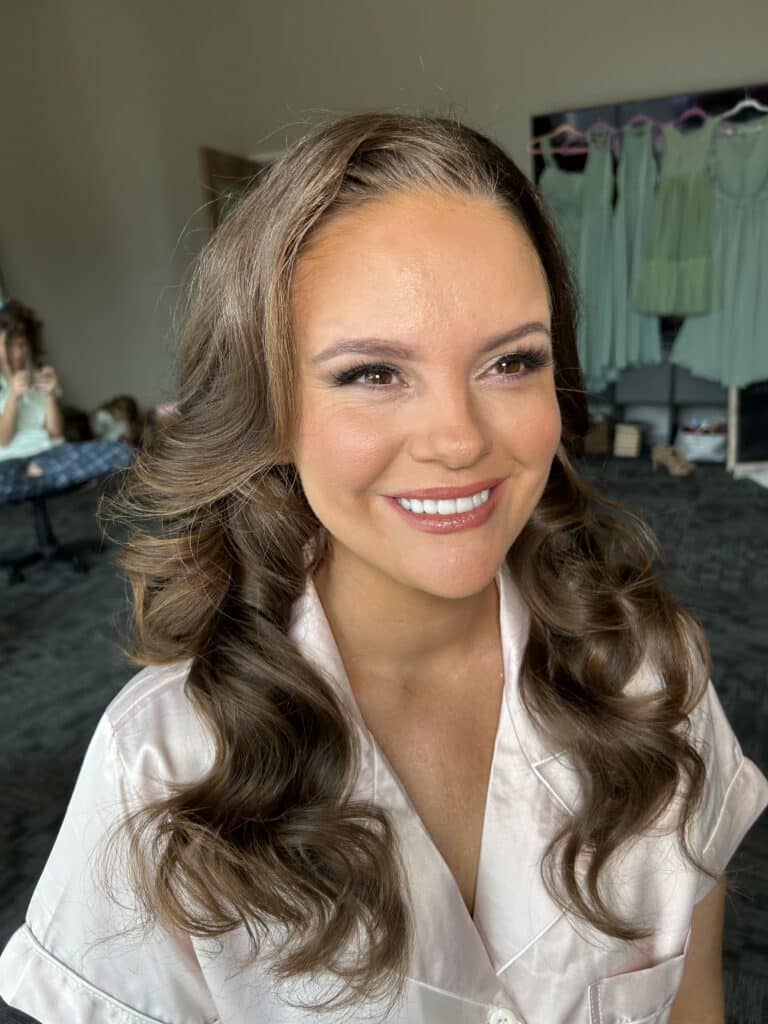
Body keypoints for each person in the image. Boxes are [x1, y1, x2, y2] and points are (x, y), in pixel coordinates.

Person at [0, 113, 766, 1024]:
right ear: (270, 404)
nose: (459, 439)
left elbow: (696, 1003)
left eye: (512, 361)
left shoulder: (653, 671)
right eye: (372, 373)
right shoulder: (159, 772)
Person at [0, 299, 134, 504]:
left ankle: (41, 476)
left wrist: (52, 394)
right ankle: (52, 477)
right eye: (8, 346)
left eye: (21, 345)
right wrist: (13, 397)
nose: (16, 353)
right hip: (8, 462)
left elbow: (55, 433)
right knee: (5, 480)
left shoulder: (38, 376)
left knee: (125, 452)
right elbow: (3, 440)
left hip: (50, 453)